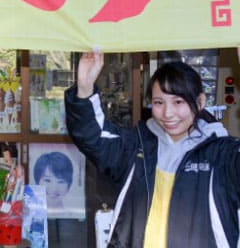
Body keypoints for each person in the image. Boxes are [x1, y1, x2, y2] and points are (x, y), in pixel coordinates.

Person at [65, 51, 240, 248]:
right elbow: (92, 136)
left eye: (178, 102)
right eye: (158, 102)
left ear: (200, 102)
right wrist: (85, 87)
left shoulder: (224, 155)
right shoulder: (137, 146)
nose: (168, 113)